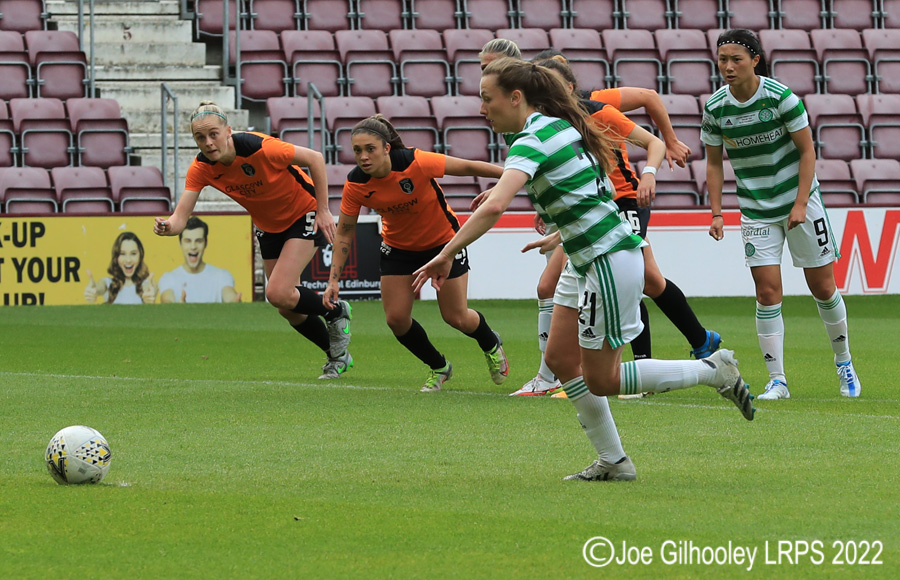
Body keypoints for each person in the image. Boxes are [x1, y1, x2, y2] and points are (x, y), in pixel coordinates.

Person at [413, 58, 754, 480]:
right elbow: (603, 191)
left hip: (606, 260)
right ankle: (614, 462)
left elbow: (497, 206)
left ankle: (712, 370)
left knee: (603, 379)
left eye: (487, 98)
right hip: (584, 256)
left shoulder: (533, 138)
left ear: (515, 97)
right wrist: (561, 235)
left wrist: (446, 253)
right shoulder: (560, 127)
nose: (482, 108)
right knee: (559, 359)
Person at [523, 56, 723, 401]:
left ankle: (633, 366)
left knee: (636, 278)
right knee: (646, 281)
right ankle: (700, 341)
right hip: (593, 206)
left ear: (569, 88)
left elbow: (650, 118)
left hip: (626, 201)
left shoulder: (600, 110)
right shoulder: (548, 124)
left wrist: (654, 166)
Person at [702, 29, 861, 399]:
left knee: (822, 288)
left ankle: (845, 363)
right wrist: (716, 212)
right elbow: (713, 164)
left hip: (799, 202)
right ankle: (778, 380)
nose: (727, 66)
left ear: (755, 60)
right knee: (767, 292)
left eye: (736, 59)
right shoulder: (715, 108)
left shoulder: (781, 98)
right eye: (722, 59)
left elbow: (808, 152)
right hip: (756, 210)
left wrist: (801, 203)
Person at [154, 101, 352, 380]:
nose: (208, 142)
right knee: (286, 307)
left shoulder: (260, 147)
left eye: (213, 134)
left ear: (228, 131)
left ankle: (336, 310)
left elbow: (316, 158)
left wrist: (323, 209)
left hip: (302, 213)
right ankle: (337, 355)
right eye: (200, 137)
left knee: (277, 292)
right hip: (268, 227)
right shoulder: (201, 167)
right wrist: (167, 227)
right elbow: (179, 218)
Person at [323, 114, 508, 392]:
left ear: (387, 148)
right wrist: (333, 278)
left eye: (370, 149)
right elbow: (345, 231)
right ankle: (439, 367)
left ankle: (490, 343)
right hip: (398, 249)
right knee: (396, 319)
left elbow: (469, 166)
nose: (363, 156)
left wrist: (510, 179)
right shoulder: (356, 183)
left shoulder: (416, 161)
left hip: (444, 244)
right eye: (357, 150)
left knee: (456, 317)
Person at [158, 216, 241, 303]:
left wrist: (235, 303)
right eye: (188, 241)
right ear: (180, 243)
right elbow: (167, 301)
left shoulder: (222, 276)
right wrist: (177, 309)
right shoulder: (168, 278)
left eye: (198, 241)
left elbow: (230, 295)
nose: (193, 247)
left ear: (206, 243)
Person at [85, 231, 157, 305]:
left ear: (140, 256)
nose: (128, 260)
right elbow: (100, 287)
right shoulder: (108, 283)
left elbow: (150, 289)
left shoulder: (147, 283)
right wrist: (94, 291)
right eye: (122, 254)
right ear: (116, 257)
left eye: (133, 254)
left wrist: (149, 297)